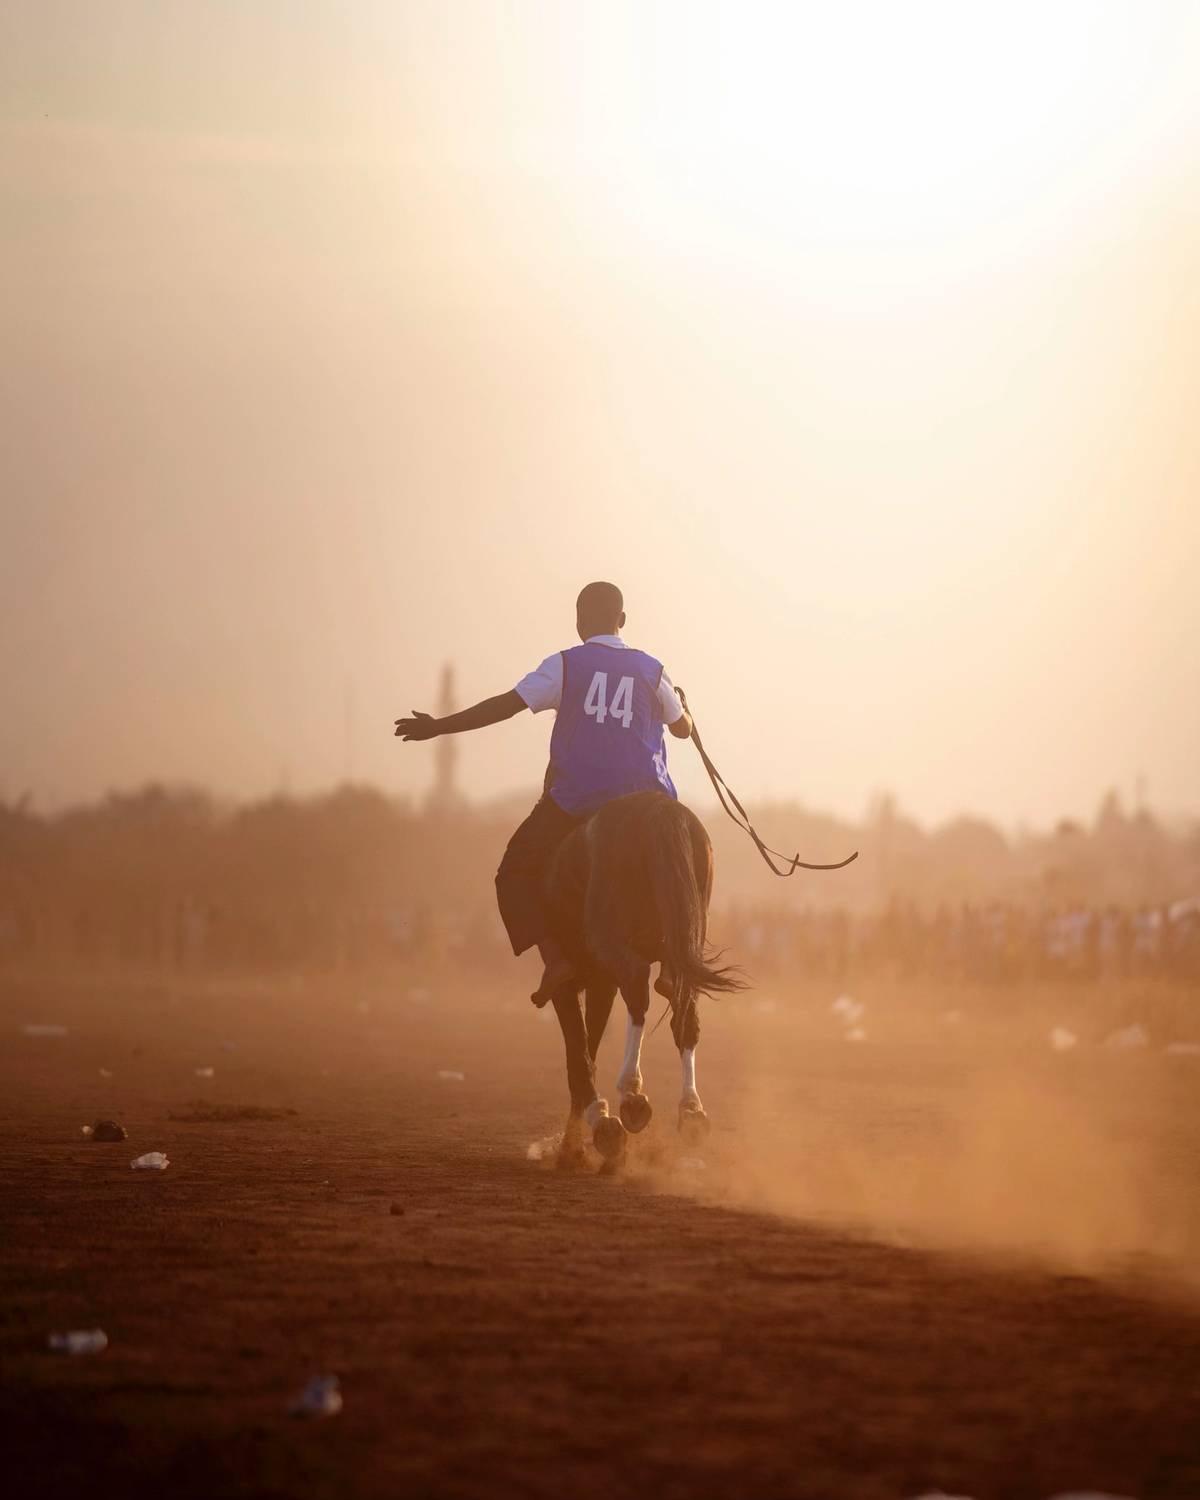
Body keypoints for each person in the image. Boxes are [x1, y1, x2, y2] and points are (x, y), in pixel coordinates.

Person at [394, 581, 692, 1004]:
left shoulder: (565, 665)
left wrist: (439, 727)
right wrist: (688, 713)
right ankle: (676, 962)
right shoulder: (653, 669)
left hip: (578, 799)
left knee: (514, 872)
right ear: (622, 621)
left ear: (578, 621)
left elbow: (504, 705)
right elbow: (681, 729)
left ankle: (556, 960)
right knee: (682, 869)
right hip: (648, 801)